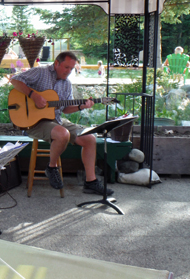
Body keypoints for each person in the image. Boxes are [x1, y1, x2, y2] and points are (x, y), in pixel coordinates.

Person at [10, 51, 113, 196]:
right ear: (57, 63)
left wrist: (81, 106)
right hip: (34, 123)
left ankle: (91, 182)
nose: (69, 71)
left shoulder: (67, 84)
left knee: (90, 138)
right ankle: (52, 168)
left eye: (72, 68)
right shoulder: (41, 72)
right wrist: (33, 95)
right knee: (62, 134)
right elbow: (15, 80)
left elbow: (65, 109)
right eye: (66, 67)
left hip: (56, 120)